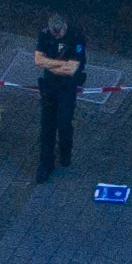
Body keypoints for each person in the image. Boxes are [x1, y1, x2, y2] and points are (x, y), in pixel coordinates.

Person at [33, 13, 86, 183]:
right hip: (49, 86)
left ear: (64, 26)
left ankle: (65, 153)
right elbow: (38, 61)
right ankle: (46, 163)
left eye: (59, 32)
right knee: (47, 126)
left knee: (64, 123)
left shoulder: (76, 37)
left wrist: (49, 64)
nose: (56, 35)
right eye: (53, 32)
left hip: (67, 87)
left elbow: (71, 70)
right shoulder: (45, 34)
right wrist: (60, 64)